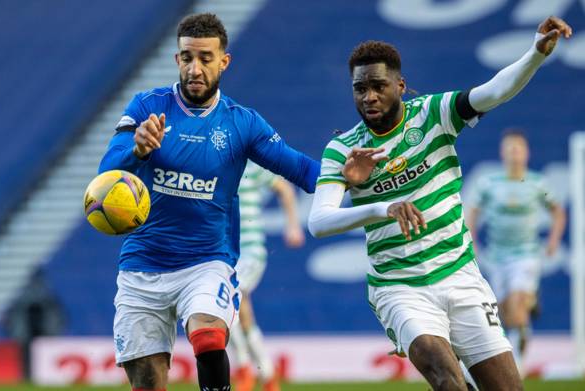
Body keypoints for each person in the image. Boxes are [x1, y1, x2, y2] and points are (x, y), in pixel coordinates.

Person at [307, 16, 572, 391]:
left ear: (400, 85)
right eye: (359, 88)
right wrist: (384, 207)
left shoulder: (435, 114)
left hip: (460, 276)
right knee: (446, 379)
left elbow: (494, 91)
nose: (369, 97)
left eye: (378, 86)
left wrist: (534, 54)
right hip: (400, 286)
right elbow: (319, 222)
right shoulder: (343, 149)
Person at [98, 13, 319, 391]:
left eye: (205, 58)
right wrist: (136, 148)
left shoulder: (241, 123)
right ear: (177, 59)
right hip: (142, 263)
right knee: (148, 384)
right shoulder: (145, 107)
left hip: (206, 261)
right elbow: (107, 172)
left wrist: (349, 174)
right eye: (187, 57)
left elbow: (300, 169)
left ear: (223, 61)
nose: (195, 68)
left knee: (209, 335)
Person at [465, 129, 566, 373]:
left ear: (526, 153)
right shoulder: (489, 184)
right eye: (510, 148)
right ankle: (522, 324)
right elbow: (472, 213)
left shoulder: (537, 183)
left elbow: (557, 211)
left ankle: (517, 363)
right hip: (497, 256)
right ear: (502, 152)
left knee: (517, 302)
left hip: (527, 254)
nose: (514, 154)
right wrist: (473, 242)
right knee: (506, 311)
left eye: (518, 148)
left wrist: (553, 240)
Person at [230, 162, 305, 391]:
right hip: (226, 251)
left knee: (231, 299)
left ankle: (244, 369)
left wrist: (292, 226)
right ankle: (269, 376)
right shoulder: (216, 162)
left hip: (251, 250)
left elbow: (284, 189)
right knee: (239, 313)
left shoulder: (252, 167)